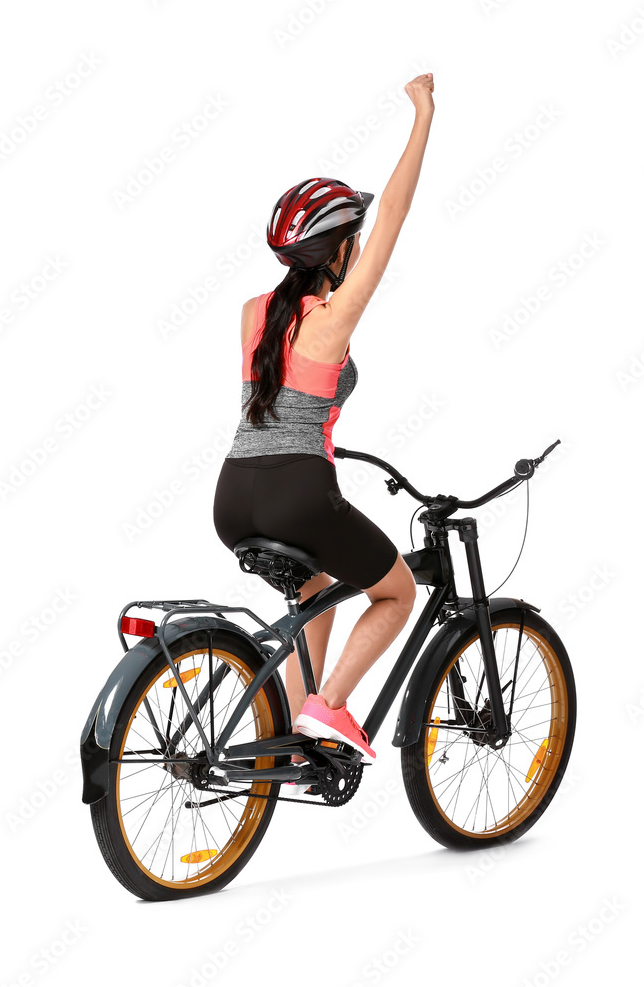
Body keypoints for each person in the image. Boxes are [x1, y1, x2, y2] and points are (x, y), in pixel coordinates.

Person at [212, 72, 435, 787]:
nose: (363, 246)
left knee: (314, 590)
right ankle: (329, 709)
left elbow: (280, 409)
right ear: (339, 250)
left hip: (232, 494)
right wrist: (423, 115)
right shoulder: (333, 317)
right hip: (300, 494)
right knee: (398, 592)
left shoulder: (254, 312)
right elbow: (397, 214)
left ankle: (281, 735)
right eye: (356, 240)